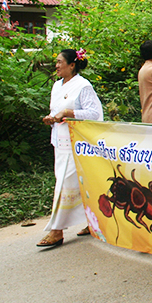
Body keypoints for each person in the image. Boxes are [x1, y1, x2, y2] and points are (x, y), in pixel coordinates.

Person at [38, 48, 104, 247]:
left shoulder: (83, 86)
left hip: (77, 143)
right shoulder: (57, 86)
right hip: (60, 142)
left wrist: (68, 112)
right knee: (77, 184)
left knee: (64, 186)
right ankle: (93, 220)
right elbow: (55, 111)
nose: (56, 66)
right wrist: (53, 118)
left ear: (72, 65)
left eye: (60, 62)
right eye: (56, 62)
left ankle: (56, 231)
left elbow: (94, 113)